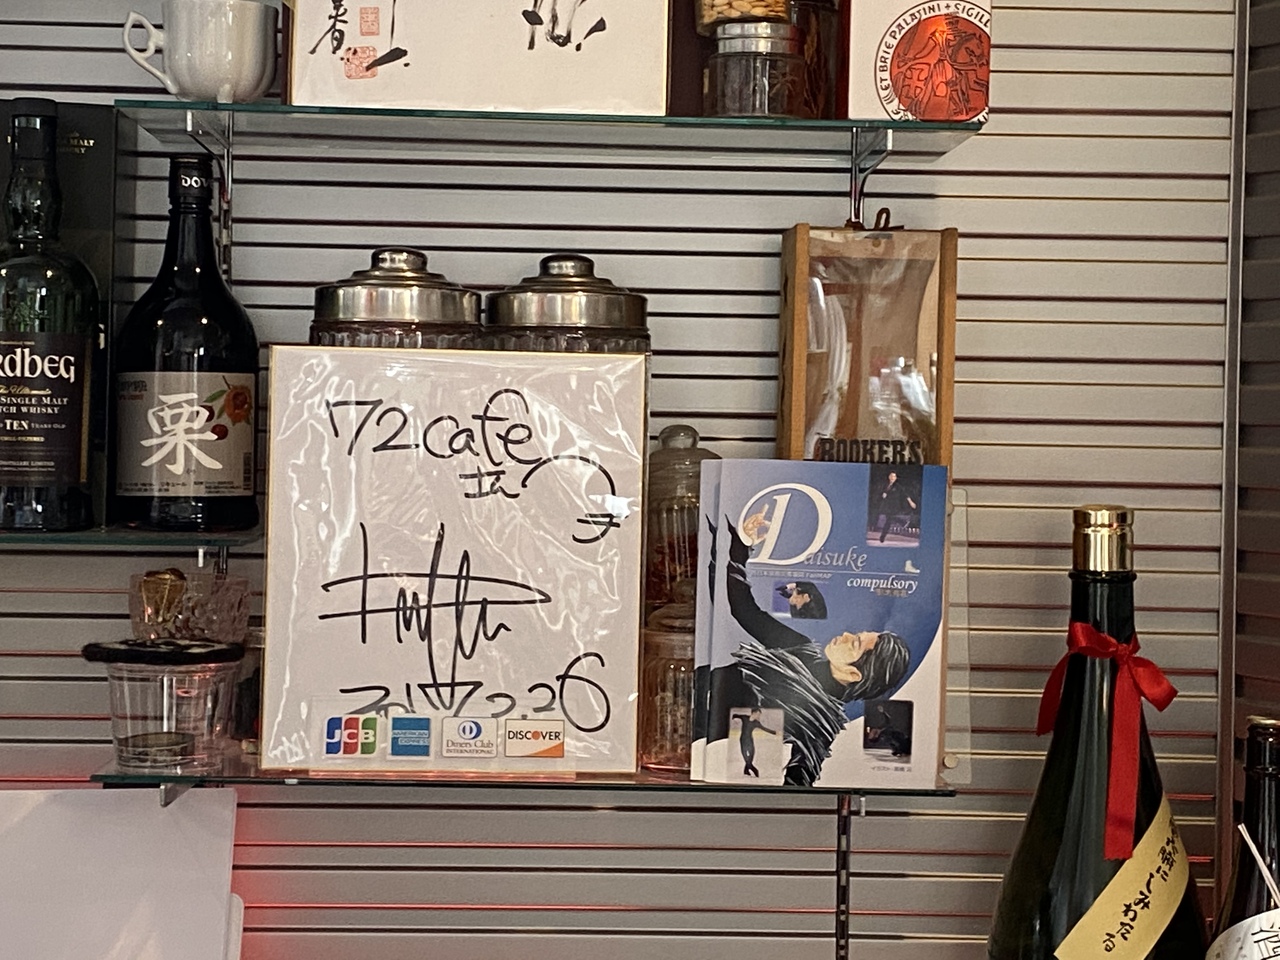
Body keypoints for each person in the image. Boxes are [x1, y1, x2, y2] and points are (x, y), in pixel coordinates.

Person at [722, 520, 911, 786]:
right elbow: (744, 610)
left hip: (704, 751)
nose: (846, 635)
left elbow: (793, 786)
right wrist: (741, 546)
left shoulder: (818, 724)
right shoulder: (800, 647)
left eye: (855, 643)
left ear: (854, 674)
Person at [870, 470, 918, 543]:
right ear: (889, 477)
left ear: (896, 478)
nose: (893, 478)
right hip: (886, 506)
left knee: (889, 520)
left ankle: (883, 536)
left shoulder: (898, 486)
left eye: (894, 476)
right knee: (889, 521)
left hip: (894, 506)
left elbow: (905, 494)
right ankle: (902, 522)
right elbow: (881, 493)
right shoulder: (885, 485)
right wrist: (882, 495)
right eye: (892, 476)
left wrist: (911, 502)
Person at [733, 708, 777, 777]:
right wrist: (733, 718)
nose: (759, 716)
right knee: (745, 756)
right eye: (758, 714)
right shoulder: (745, 718)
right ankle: (754, 769)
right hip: (743, 740)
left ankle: (746, 770)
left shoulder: (756, 723)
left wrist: (774, 732)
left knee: (751, 756)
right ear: (753, 713)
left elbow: (764, 728)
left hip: (750, 740)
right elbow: (736, 715)